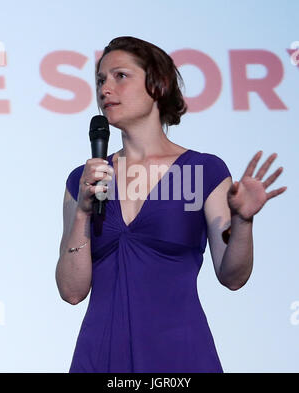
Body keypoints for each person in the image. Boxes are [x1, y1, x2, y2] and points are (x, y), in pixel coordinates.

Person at [55, 36, 287, 373]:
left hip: (180, 356)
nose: (105, 89)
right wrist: (83, 212)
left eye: (120, 76)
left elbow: (233, 276)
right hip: (101, 357)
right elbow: (71, 291)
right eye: (100, 80)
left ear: (157, 85)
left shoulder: (202, 171)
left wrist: (244, 223)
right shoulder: (84, 178)